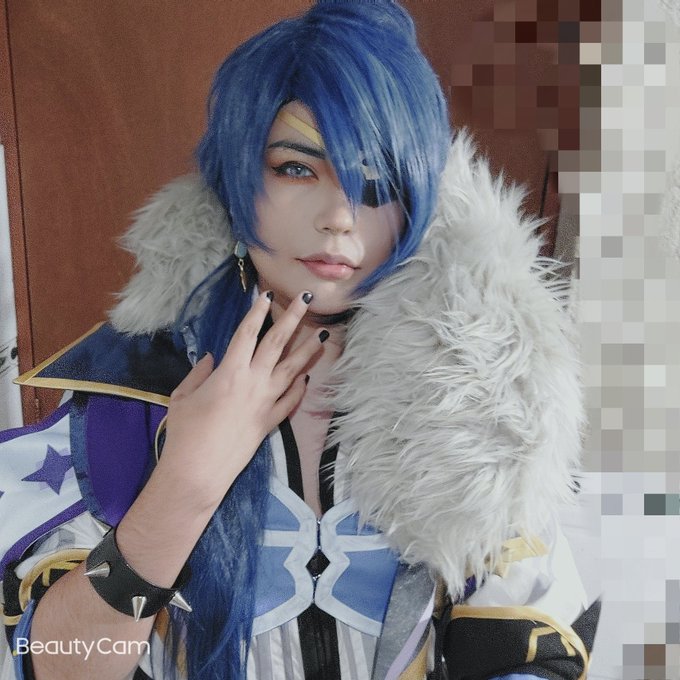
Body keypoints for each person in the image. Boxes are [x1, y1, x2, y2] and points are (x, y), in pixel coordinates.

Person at [0, 2, 599, 679]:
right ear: (234, 180)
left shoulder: (479, 393)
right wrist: (186, 484)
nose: (339, 216)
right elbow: (56, 666)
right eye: (296, 168)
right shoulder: (128, 392)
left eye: (376, 180)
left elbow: (534, 648)